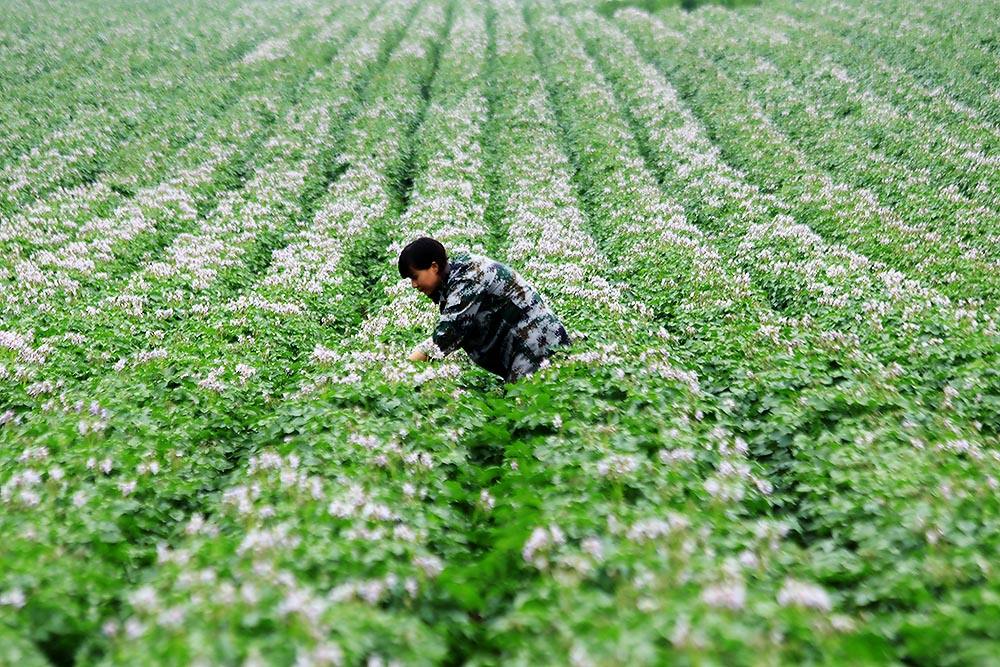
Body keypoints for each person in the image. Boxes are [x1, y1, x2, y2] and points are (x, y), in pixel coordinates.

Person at [398, 237, 571, 383]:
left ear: (434, 267)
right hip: (526, 346)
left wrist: (404, 369)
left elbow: (448, 333)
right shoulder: (455, 275)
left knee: (529, 402)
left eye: (415, 277)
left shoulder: (468, 279)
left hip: (537, 345)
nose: (414, 285)